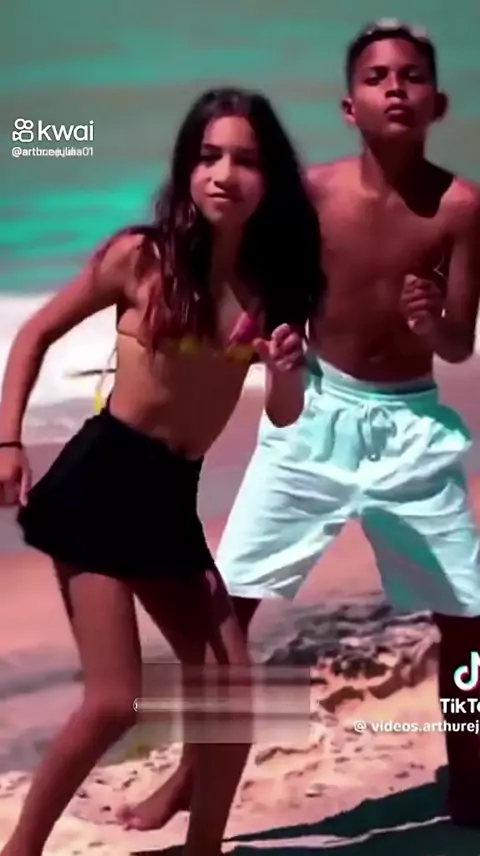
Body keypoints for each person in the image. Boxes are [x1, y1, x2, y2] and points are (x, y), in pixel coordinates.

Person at [123, 21, 480, 831]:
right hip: (315, 413)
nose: (396, 88)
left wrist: (432, 323)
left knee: (466, 618)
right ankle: (190, 771)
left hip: (411, 426)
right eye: (377, 77)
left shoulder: (462, 207)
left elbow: (460, 342)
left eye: (412, 76)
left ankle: (470, 770)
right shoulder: (314, 194)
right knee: (228, 603)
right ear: (349, 106)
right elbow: (248, 271)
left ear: (438, 103)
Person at [0, 86, 323, 856]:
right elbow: (35, 335)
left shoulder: (272, 291)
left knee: (231, 698)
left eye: (245, 160)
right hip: (101, 485)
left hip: (172, 500)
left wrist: (286, 371)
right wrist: (7, 443)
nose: (224, 174)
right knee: (115, 701)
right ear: (186, 169)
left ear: (270, 178)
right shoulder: (140, 259)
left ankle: (202, 848)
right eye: (208, 156)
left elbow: (284, 415)